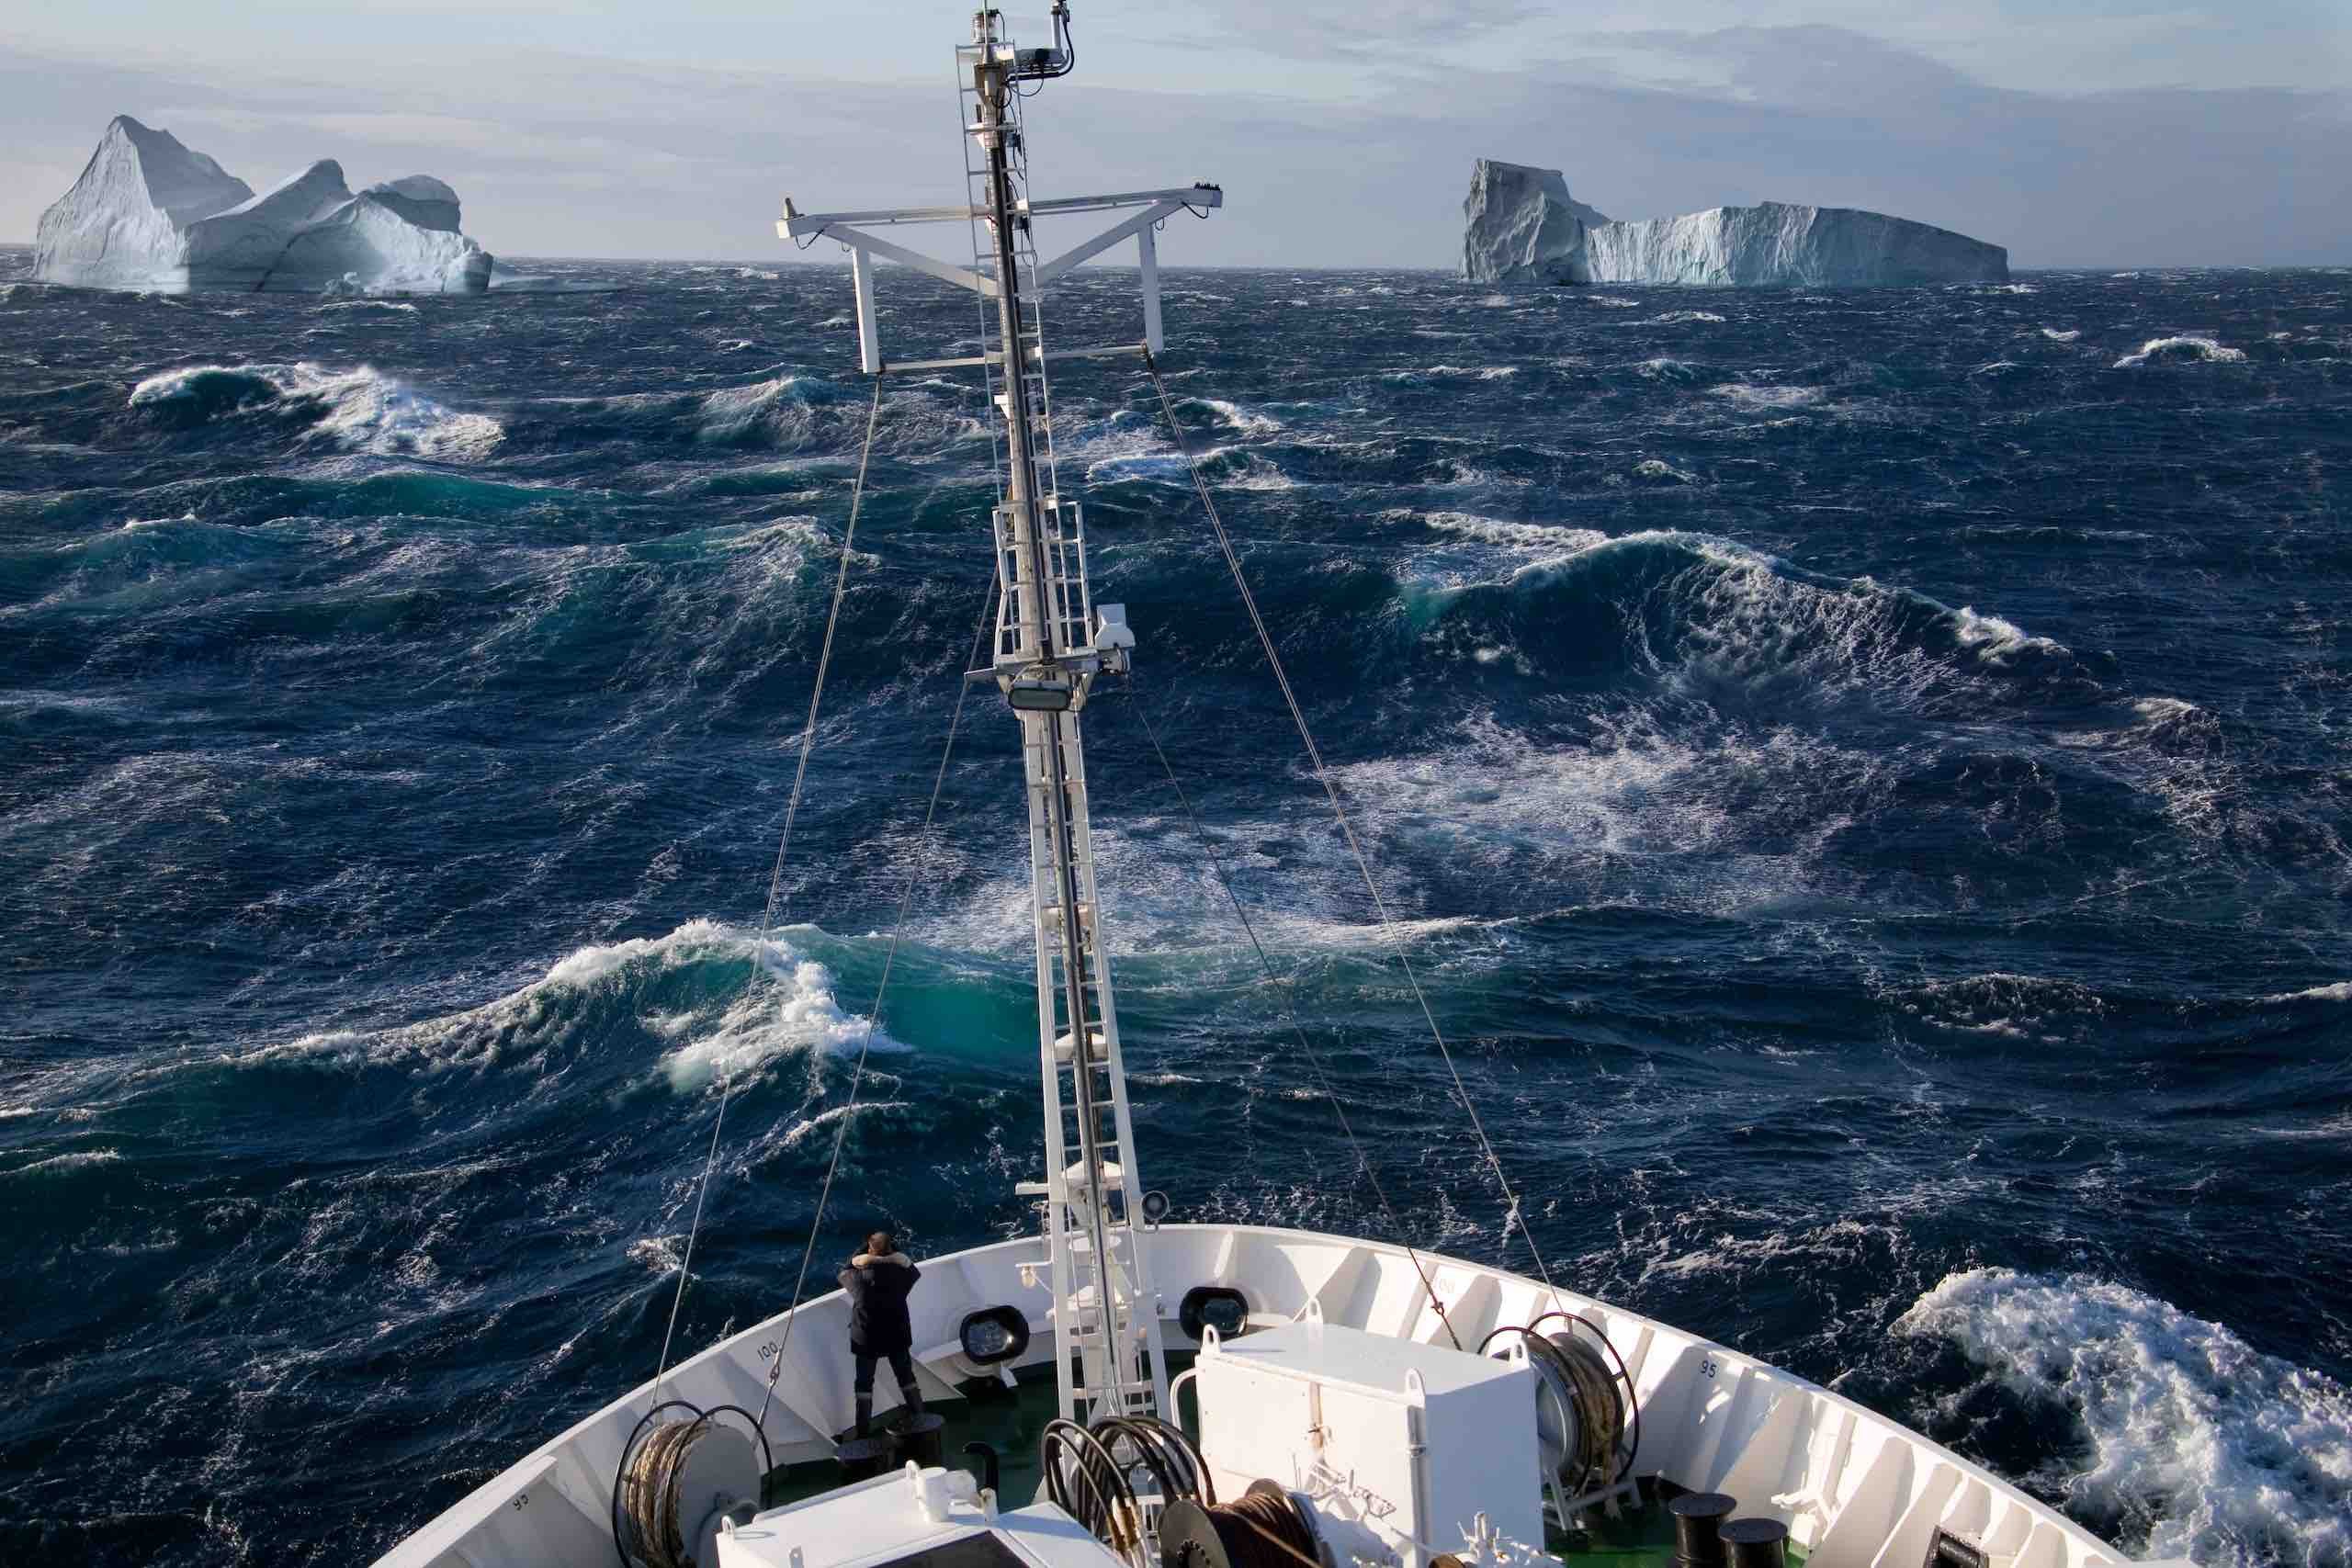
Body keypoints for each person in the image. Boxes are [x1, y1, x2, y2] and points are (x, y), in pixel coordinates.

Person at [839, 1230, 922, 1438]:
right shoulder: (902, 1276)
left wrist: (867, 1253)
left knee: (864, 1384)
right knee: (905, 1376)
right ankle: (920, 1417)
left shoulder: (857, 1279)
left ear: (869, 1250)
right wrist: (890, 1256)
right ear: (891, 1251)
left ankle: (863, 1433)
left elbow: (844, 1270)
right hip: (897, 1336)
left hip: (867, 1340)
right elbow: (912, 1269)